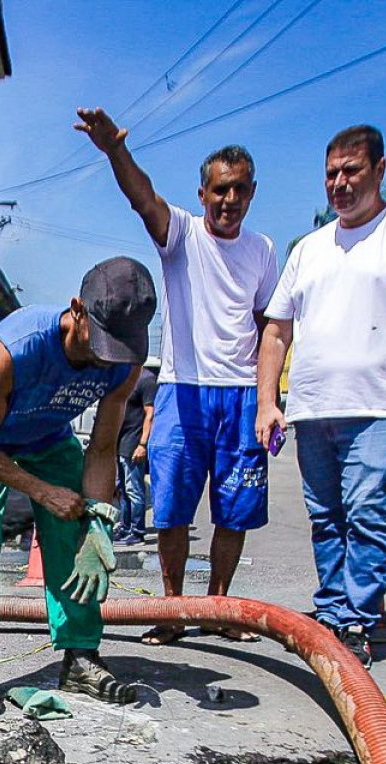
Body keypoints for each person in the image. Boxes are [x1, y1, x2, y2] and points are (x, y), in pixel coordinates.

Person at [254, 124, 386, 668]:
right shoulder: (309, 249)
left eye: (352, 171)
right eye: (331, 173)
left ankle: (355, 619)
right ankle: (332, 610)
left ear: (379, 170)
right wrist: (267, 402)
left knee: (366, 513)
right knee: (325, 517)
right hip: (313, 409)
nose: (340, 183)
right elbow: (276, 330)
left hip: (379, 407)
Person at [79, 109, 278, 645]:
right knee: (169, 512)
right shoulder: (182, 234)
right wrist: (115, 150)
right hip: (181, 391)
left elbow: (269, 331)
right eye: (219, 191)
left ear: (251, 192)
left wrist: (269, 399)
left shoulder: (263, 251)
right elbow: (143, 197)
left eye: (238, 190)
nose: (228, 200)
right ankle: (172, 610)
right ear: (203, 191)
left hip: (239, 397)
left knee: (234, 511)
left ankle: (217, 609)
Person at [0, 257, 153, 715]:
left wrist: (99, 522)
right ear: (77, 310)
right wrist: (40, 491)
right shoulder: (20, 345)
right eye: (101, 342)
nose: (107, 357)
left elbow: (102, 448)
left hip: (48, 437)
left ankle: (80, 656)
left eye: (118, 347)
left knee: (75, 527)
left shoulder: (126, 362)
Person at [115, 355, 157, 545]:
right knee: (122, 489)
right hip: (119, 442)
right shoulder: (123, 376)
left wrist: (143, 444)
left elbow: (150, 414)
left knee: (134, 490)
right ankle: (125, 527)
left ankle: (137, 530)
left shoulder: (146, 379)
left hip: (133, 443)